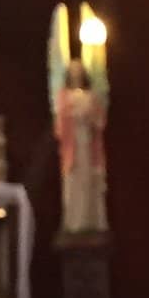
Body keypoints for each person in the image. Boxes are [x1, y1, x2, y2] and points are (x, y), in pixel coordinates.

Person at [55, 59, 108, 232]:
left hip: (87, 143)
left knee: (89, 182)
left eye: (78, 70)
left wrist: (89, 116)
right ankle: (74, 222)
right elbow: (60, 125)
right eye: (73, 70)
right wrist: (73, 114)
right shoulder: (64, 96)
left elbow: (100, 121)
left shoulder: (91, 96)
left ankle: (91, 220)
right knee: (73, 183)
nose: (76, 73)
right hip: (73, 144)